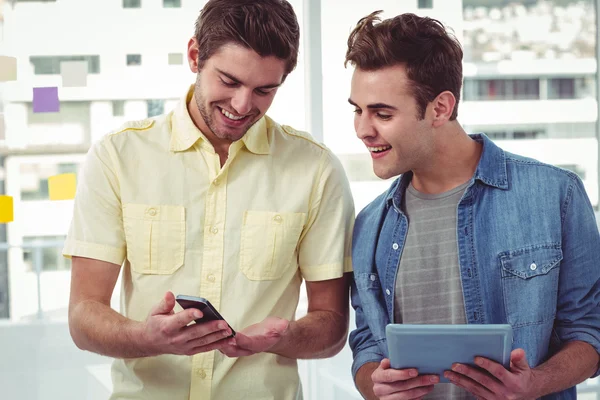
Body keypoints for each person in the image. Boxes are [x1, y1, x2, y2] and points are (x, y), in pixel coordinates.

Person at [64, 1, 355, 399]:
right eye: (229, 81)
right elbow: (83, 317)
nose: (242, 105)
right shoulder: (118, 157)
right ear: (195, 55)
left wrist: (281, 337)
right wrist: (147, 338)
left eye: (264, 90)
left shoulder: (316, 169)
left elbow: (332, 327)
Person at [345, 11, 600, 400]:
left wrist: (535, 383)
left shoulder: (555, 195)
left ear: (441, 108)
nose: (363, 129)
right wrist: (373, 385)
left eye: (382, 113)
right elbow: (366, 342)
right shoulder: (369, 225)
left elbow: (590, 330)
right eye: (357, 110)